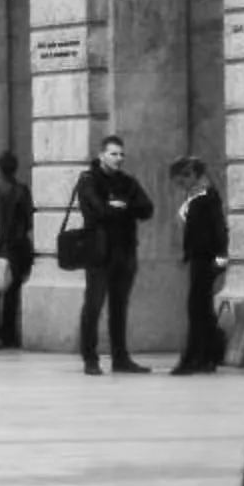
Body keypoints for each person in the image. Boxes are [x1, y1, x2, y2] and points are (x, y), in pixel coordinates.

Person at [69, 133, 156, 375]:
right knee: (94, 305)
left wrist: (122, 206)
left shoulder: (127, 182)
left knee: (119, 306)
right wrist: (119, 208)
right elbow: (99, 211)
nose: (118, 158)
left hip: (125, 251)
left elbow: (147, 209)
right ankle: (90, 358)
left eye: (121, 154)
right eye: (113, 154)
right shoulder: (88, 181)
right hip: (99, 252)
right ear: (102, 155)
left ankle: (120, 357)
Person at [170, 156, 227, 375]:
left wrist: (220, 257)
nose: (181, 185)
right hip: (198, 257)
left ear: (192, 175)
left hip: (205, 258)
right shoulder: (196, 195)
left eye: (182, 180)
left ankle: (194, 357)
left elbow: (218, 228)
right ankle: (207, 356)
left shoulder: (206, 196)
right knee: (202, 308)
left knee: (197, 308)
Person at [0, 150, 35, 350]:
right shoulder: (22, 189)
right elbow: (29, 221)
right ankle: (9, 336)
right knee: (12, 294)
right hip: (17, 248)